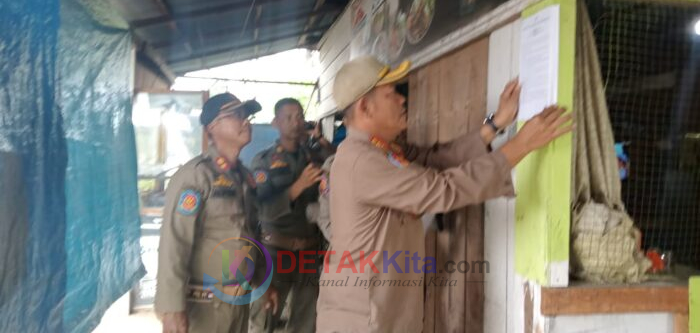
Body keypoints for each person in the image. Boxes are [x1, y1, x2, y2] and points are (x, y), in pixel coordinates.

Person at [316, 56, 573, 333]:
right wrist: (520, 146)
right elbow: (442, 189)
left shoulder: (383, 150)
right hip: (361, 319)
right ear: (366, 107)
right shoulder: (362, 161)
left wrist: (495, 123)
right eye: (392, 94)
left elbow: (438, 159)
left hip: (383, 311)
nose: (402, 100)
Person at [155, 93, 277, 333]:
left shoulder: (243, 176)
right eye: (236, 115)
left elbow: (252, 234)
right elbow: (174, 243)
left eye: (247, 116)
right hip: (204, 306)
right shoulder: (197, 176)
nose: (246, 122)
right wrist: (171, 309)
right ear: (212, 127)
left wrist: (263, 282)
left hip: (237, 303)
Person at [248, 98, 333, 333]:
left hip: (310, 252)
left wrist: (326, 146)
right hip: (275, 253)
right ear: (276, 122)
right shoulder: (264, 162)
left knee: (306, 322)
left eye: (299, 116)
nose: (296, 122)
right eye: (288, 117)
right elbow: (260, 209)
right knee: (265, 319)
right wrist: (297, 187)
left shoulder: (316, 158)